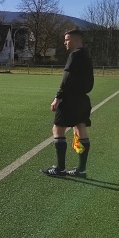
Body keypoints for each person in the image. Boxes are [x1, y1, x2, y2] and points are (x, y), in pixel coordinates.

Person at [41, 29, 94, 178]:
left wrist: (58, 97)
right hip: (83, 99)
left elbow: (67, 78)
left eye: (67, 39)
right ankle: (81, 170)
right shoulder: (86, 55)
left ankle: (60, 168)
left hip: (71, 99)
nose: (65, 42)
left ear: (77, 41)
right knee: (80, 128)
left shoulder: (75, 55)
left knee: (57, 129)